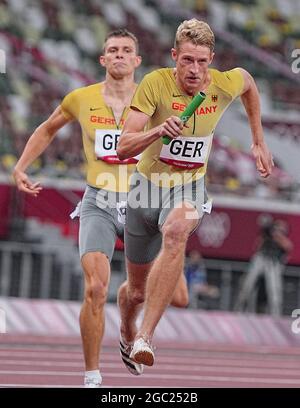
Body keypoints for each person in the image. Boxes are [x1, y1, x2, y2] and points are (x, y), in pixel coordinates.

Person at [12, 29, 189, 386]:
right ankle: (92, 376)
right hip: (100, 201)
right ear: (103, 59)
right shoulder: (81, 98)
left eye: (127, 50)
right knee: (94, 288)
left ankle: (127, 325)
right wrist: (20, 166)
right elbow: (47, 129)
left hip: (147, 200)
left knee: (174, 297)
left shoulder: (157, 96)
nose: (119, 55)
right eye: (113, 50)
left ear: (137, 61)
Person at [116, 18, 274, 368]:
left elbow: (248, 82)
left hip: (188, 186)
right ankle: (127, 328)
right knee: (136, 291)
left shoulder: (220, 84)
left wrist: (258, 140)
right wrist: (158, 131)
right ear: (174, 56)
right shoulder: (154, 84)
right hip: (145, 191)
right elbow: (124, 146)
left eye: (203, 61)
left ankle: (146, 337)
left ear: (212, 60)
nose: (195, 69)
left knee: (175, 232)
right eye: (187, 60)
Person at [235, 217, 293, 316]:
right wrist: (267, 235)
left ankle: (276, 316)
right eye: (276, 228)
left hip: (273, 263)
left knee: (274, 293)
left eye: (280, 229)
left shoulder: (282, 240)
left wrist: (276, 236)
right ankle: (238, 311)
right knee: (247, 286)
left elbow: (288, 246)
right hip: (261, 258)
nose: (277, 231)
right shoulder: (266, 236)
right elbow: (256, 247)